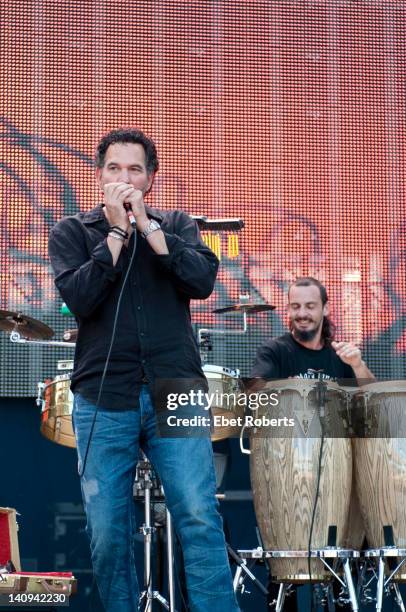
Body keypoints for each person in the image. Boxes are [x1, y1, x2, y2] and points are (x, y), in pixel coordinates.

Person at [48, 127, 239, 612]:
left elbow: (201, 281)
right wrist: (115, 232)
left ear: (150, 179)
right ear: (99, 176)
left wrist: (149, 229)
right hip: (102, 393)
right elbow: (79, 298)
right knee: (108, 531)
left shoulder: (176, 224)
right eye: (114, 168)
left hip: (174, 388)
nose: (124, 178)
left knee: (198, 514)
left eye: (135, 169)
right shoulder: (72, 231)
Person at [250, 276, 374, 611]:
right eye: (295, 306)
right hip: (287, 466)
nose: (301, 313)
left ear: (325, 309)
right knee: (287, 571)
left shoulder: (340, 356)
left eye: (309, 306)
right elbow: (254, 392)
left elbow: (373, 401)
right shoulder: (275, 350)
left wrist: (358, 365)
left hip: (337, 469)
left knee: (340, 562)